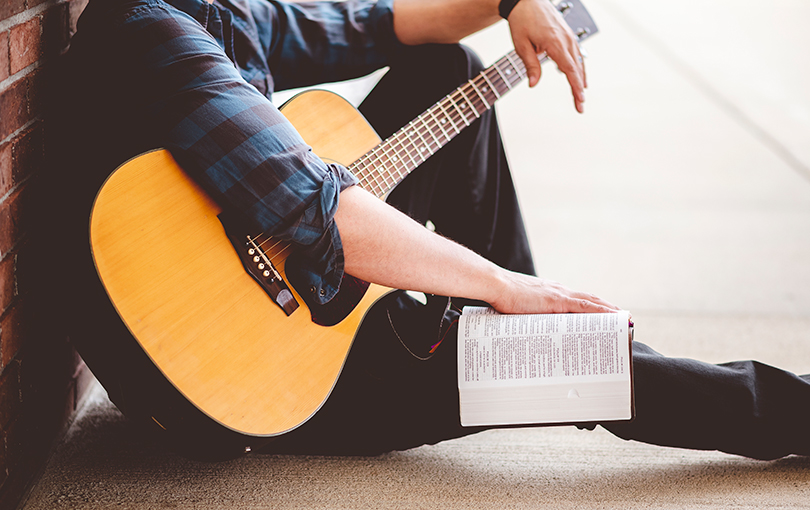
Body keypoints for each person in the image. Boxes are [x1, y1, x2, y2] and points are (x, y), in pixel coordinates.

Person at [48, 0, 810, 461]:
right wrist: (505, 287)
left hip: (268, 291)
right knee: (567, 357)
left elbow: (377, 24)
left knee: (442, 68)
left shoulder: (211, 12)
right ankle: (787, 412)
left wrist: (513, 4)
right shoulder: (151, 32)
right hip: (242, 370)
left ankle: (522, 327)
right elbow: (317, 208)